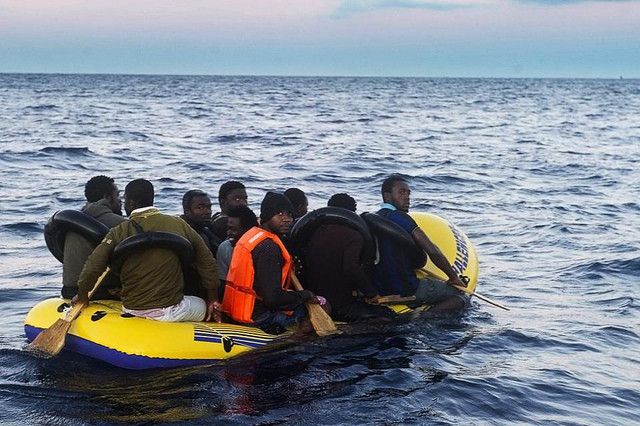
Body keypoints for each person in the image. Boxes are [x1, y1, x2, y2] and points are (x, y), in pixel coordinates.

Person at [74, 179, 221, 323]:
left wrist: (82, 297)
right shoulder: (178, 223)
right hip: (172, 312)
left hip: (132, 309)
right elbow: (206, 260)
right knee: (200, 303)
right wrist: (213, 300)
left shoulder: (119, 231)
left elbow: (93, 267)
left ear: (130, 202)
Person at [222, 191, 321, 332]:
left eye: (289, 214)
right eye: (280, 214)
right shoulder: (269, 247)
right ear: (267, 216)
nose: (287, 219)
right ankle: (298, 339)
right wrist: (305, 295)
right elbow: (273, 299)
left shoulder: (252, 235)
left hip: (236, 312)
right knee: (324, 303)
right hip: (259, 318)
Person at [373, 174, 468, 312]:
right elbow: (432, 250)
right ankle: (424, 317)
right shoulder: (400, 218)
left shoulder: (374, 218)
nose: (407, 197)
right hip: (406, 289)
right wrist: (453, 278)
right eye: (401, 192)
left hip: (379, 287)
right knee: (461, 296)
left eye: (408, 193)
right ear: (387, 196)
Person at [304, 193, 396, 322]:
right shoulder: (353, 236)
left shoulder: (315, 231)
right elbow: (351, 268)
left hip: (314, 298)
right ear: (351, 214)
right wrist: (372, 293)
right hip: (339, 305)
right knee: (388, 315)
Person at [62, 175, 127, 299]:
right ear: (107, 197)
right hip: (97, 292)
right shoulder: (119, 223)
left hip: (68, 289)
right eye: (117, 195)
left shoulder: (73, 221)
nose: (120, 201)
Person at [216, 205, 258, 298]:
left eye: (233, 229)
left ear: (249, 231)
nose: (228, 233)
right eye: (228, 228)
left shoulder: (266, 249)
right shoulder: (225, 248)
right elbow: (222, 284)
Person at [181, 189, 222, 254]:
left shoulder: (206, 229)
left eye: (209, 207)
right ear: (187, 211)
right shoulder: (181, 232)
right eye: (200, 208)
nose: (208, 212)